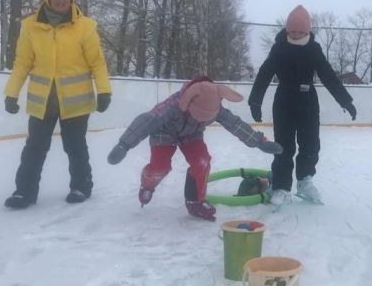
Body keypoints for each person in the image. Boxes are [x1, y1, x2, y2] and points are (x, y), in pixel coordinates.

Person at [3, 0, 112, 209]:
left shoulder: (85, 26)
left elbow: (97, 63)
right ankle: (24, 192)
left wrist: (104, 90)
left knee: (75, 147)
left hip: (76, 103)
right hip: (42, 103)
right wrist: (11, 93)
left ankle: (81, 186)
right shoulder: (31, 26)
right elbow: (22, 63)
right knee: (34, 148)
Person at [106, 77, 283, 221]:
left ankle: (194, 201)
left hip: (192, 134)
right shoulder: (173, 105)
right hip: (164, 133)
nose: (204, 118)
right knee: (160, 167)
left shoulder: (215, 105)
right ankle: (148, 184)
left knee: (202, 162)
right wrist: (124, 144)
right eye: (199, 114)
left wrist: (259, 141)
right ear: (189, 103)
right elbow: (147, 120)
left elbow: (234, 124)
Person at [248, 5, 357, 207]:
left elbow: (328, 75)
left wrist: (346, 101)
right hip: (284, 101)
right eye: (293, 30)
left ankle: (305, 181)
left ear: (307, 31)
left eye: (301, 31)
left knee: (310, 143)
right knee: (284, 146)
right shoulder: (279, 47)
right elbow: (264, 73)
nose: (296, 34)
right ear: (287, 29)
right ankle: (281, 186)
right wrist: (255, 100)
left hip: (308, 101)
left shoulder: (313, 50)